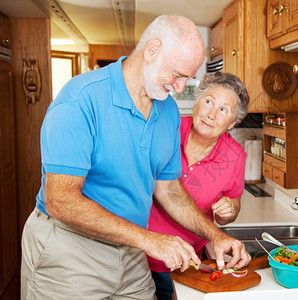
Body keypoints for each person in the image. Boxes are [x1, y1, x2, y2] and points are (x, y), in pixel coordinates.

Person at [20, 15, 251, 300]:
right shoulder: (81, 99)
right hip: (70, 250)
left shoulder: (167, 112)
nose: (180, 89)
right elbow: (61, 199)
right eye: (177, 75)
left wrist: (215, 234)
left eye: (187, 79)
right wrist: (149, 239)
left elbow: (168, 188)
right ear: (152, 50)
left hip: (131, 253)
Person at [147, 72, 250, 299]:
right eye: (209, 102)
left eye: (223, 110)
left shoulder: (235, 157)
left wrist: (228, 212)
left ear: (232, 123)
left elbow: (233, 206)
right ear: (197, 102)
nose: (211, 114)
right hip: (138, 253)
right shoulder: (166, 131)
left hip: (186, 262)